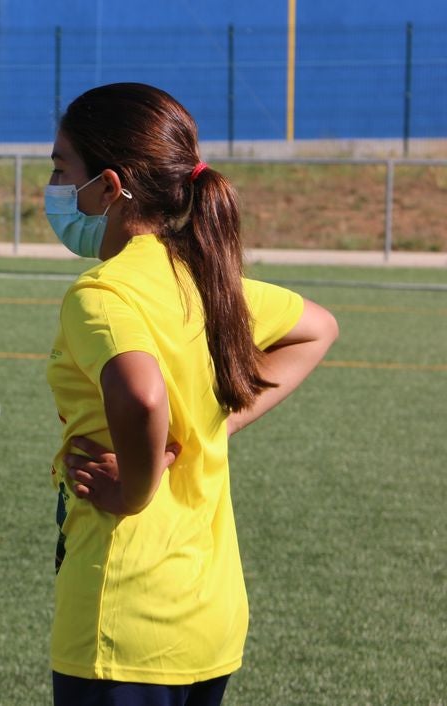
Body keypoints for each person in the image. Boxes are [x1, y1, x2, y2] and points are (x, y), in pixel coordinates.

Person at [43, 83, 338, 704]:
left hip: (127, 622)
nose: (54, 187)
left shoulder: (103, 293)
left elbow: (143, 394)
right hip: (208, 618)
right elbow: (318, 327)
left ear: (108, 185)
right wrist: (218, 424)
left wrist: (135, 488)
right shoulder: (206, 278)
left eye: (60, 168)